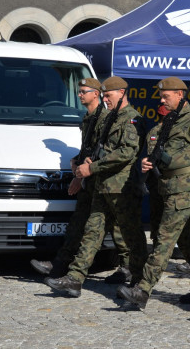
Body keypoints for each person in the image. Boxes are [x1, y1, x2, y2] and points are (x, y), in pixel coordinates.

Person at [43, 76, 148, 297]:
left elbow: (126, 153)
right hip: (103, 186)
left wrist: (93, 167)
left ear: (121, 92)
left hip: (122, 188)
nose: (105, 99)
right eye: (104, 96)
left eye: (108, 95)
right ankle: (75, 279)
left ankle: (139, 282)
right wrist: (87, 161)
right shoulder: (110, 118)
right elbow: (100, 148)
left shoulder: (132, 119)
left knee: (131, 237)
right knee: (92, 231)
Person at [118, 77, 190, 309]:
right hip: (164, 189)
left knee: (164, 239)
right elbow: (154, 155)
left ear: (180, 95)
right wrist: (146, 164)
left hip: (182, 189)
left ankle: (142, 290)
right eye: (161, 96)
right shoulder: (164, 125)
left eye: (166, 96)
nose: (162, 99)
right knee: (189, 240)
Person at [29, 78, 122, 278]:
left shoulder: (105, 119)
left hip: (102, 182)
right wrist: (76, 161)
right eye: (79, 92)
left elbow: (105, 152)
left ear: (95, 94)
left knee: (112, 230)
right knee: (78, 224)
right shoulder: (88, 118)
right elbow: (88, 149)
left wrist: (83, 172)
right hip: (89, 181)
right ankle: (60, 266)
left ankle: (128, 269)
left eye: (83, 92)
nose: (79, 95)